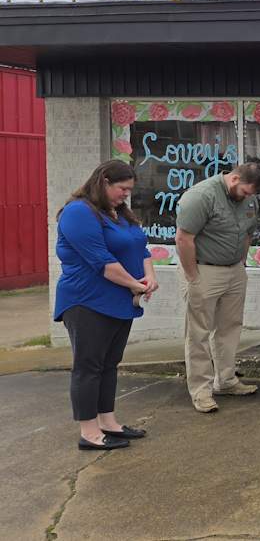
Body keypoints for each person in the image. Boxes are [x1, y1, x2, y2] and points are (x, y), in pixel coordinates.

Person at [55, 161, 157, 450]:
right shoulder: (78, 212)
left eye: (129, 190)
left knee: (109, 364)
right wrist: (134, 285)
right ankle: (89, 432)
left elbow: (141, 246)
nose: (126, 194)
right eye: (122, 189)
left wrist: (150, 276)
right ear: (104, 181)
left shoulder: (118, 213)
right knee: (88, 367)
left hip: (118, 301)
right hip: (87, 301)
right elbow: (101, 261)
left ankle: (108, 422)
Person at [175, 163, 260, 413]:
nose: (248, 198)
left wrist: (242, 264)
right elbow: (183, 238)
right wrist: (193, 277)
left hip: (234, 269)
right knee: (198, 333)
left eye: (251, 194)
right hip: (203, 269)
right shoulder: (201, 196)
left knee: (229, 327)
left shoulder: (249, 200)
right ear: (234, 178)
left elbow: (248, 233)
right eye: (245, 192)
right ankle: (201, 391)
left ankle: (225, 380)